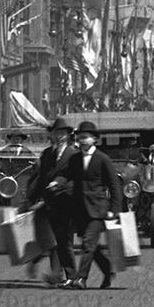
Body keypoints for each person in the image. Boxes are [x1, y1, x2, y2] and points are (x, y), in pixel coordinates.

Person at [53, 120, 123, 290]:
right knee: (92, 246)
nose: (83, 141)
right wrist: (57, 182)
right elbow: (65, 175)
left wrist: (114, 210)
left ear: (95, 140)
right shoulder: (76, 158)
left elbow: (114, 186)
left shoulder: (103, 159)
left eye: (86, 137)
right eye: (80, 137)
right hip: (80, 209)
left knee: (88, 245)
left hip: (98, 209)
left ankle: (81, 279)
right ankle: (107, 270)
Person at [25, 117, 76, 283]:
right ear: (53, 135)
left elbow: (75, 178)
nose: (60, 136)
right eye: (57, 133)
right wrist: (31, 199)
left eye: (63, 133)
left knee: (64, 241)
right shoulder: (47, 154)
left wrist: (61, 184)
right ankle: (60, 275)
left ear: (68, 136)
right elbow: (41, 179)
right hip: (50, 204)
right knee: (56, 240)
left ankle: (67, 275)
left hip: (68, 203)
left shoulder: (74, 154)